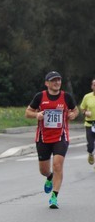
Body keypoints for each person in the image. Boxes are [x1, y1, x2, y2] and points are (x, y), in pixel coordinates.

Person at [25, 71, 78, 209]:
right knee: (43, 170)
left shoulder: (66, 97)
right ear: (47, 83)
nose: (57, 83)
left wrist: (72, 115)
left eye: (58, 80)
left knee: (57, 165)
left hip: (61, 137)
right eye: (53, 80)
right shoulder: (40, 97)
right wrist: (37, 115)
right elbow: (27, 112)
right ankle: (49, 177)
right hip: (43, 137)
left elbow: (75, 110)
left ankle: (54, 197)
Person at [79, 77, 95, 166]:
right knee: (91, 146)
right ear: (92, 86)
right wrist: (85, 112)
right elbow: (82, 109)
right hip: (90, 124)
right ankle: (90, 153)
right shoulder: (87, 97)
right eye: (94, 85)